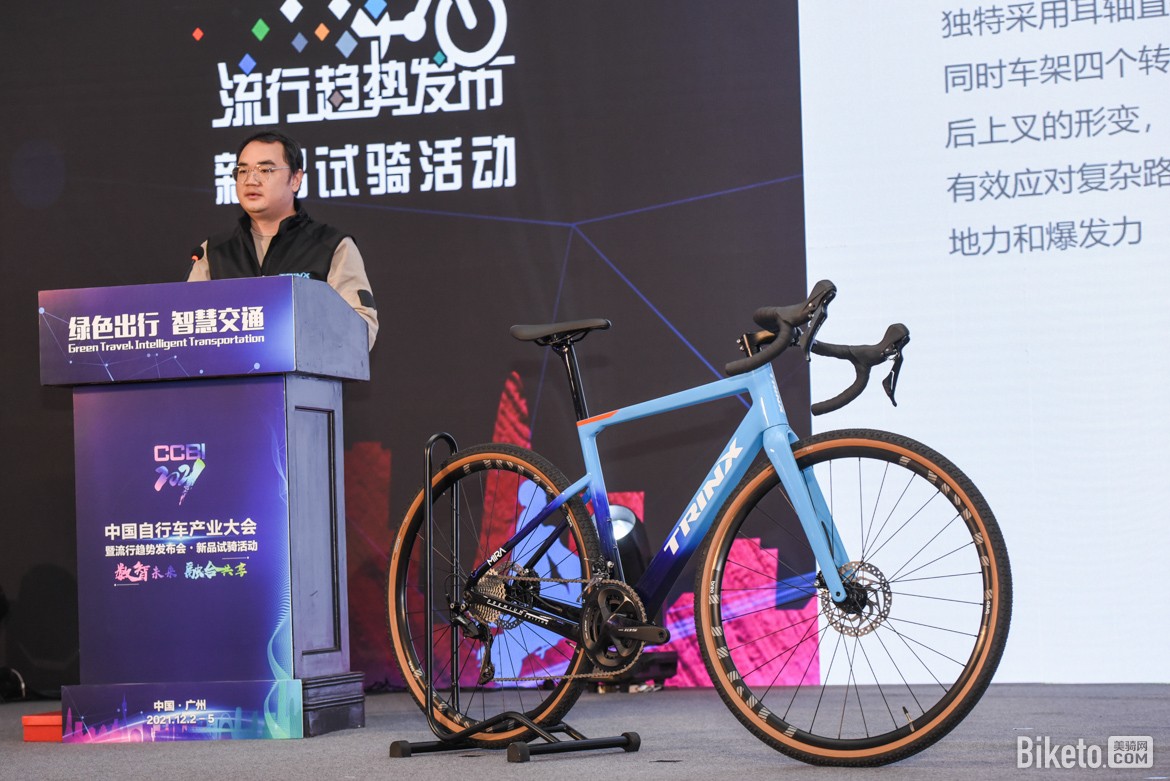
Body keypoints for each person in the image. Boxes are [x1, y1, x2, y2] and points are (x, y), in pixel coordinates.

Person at [188, 130, 378, 349]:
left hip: (307, 371)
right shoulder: (213, 252)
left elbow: (360, 332)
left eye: (265, 170)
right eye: (243, 170)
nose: (251, 180)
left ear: (295, 179)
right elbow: (187, 326)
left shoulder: (331, 246)